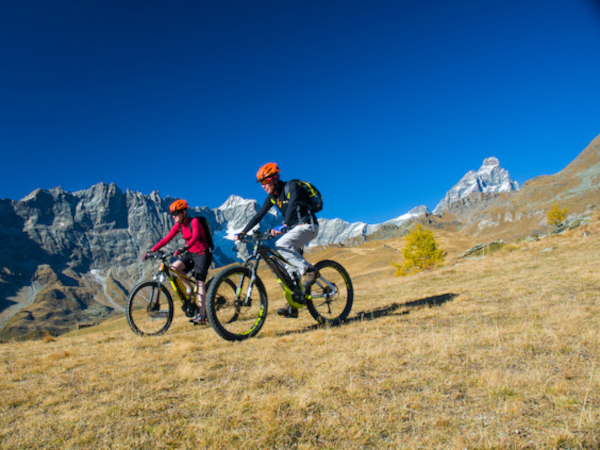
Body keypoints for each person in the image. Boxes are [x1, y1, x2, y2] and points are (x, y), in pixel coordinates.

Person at [235, 163, 319, 318]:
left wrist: (285, 224)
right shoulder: (272, 198)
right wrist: (243, 232)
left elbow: (293, 203)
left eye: (264, 182)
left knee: (281, 244)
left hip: (307, 225)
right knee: (287, 269)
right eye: (261, 183)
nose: (262, 186)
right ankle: (293, 304)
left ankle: (310, 271)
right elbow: (258, 215)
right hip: (294, 231)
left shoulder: (291, 186)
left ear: (274, 178)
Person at [144, 199, 212, 325]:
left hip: (202, 253)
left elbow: (196, 236)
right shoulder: (179, 225)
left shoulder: (194, 221)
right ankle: (190, 288)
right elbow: (166, 239)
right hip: (191, 253)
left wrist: (184, 248)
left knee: (200, 283)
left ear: (184, 212)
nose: (174, 216)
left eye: (176, 213)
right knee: (174, 268)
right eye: (173, 214)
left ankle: (202, 316)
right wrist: (152, 250)